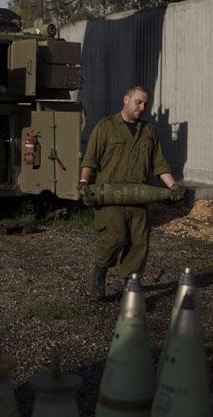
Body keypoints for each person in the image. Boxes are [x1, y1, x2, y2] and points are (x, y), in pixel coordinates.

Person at [78, 85, 185, 300]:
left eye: (146, 103)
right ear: (126, 100)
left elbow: (160, 165)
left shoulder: (148, 131)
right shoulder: (105, 127)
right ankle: (99, 274)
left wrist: (173, 186)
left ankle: (131, 290)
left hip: (138, 199)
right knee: (115, 238)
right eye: (139, 102)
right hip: (111, 197)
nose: (143, 107)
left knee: (139, 243)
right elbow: (90, 159)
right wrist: (83, 183)